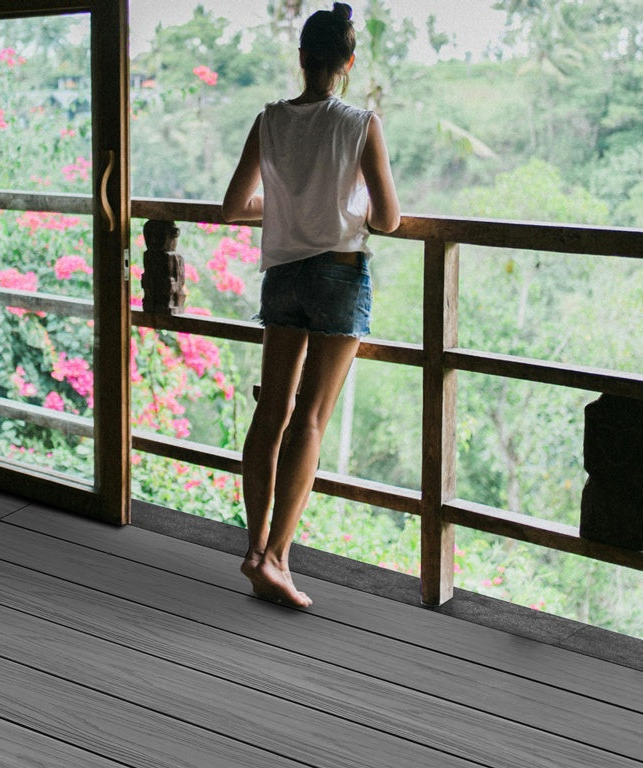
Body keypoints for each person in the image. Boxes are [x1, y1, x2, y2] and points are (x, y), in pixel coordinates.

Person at [222, 2, 400, 608]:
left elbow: (233, 206)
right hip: (338, 275)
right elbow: (389, 218)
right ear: (347, 63)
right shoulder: (360, 124)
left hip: (283, 276)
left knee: (271, 411)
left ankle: (254, 549)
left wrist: (288, 210)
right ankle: (276, 559)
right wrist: (342, 208)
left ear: (302, 57)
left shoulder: (269, 120)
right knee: (311, 420)